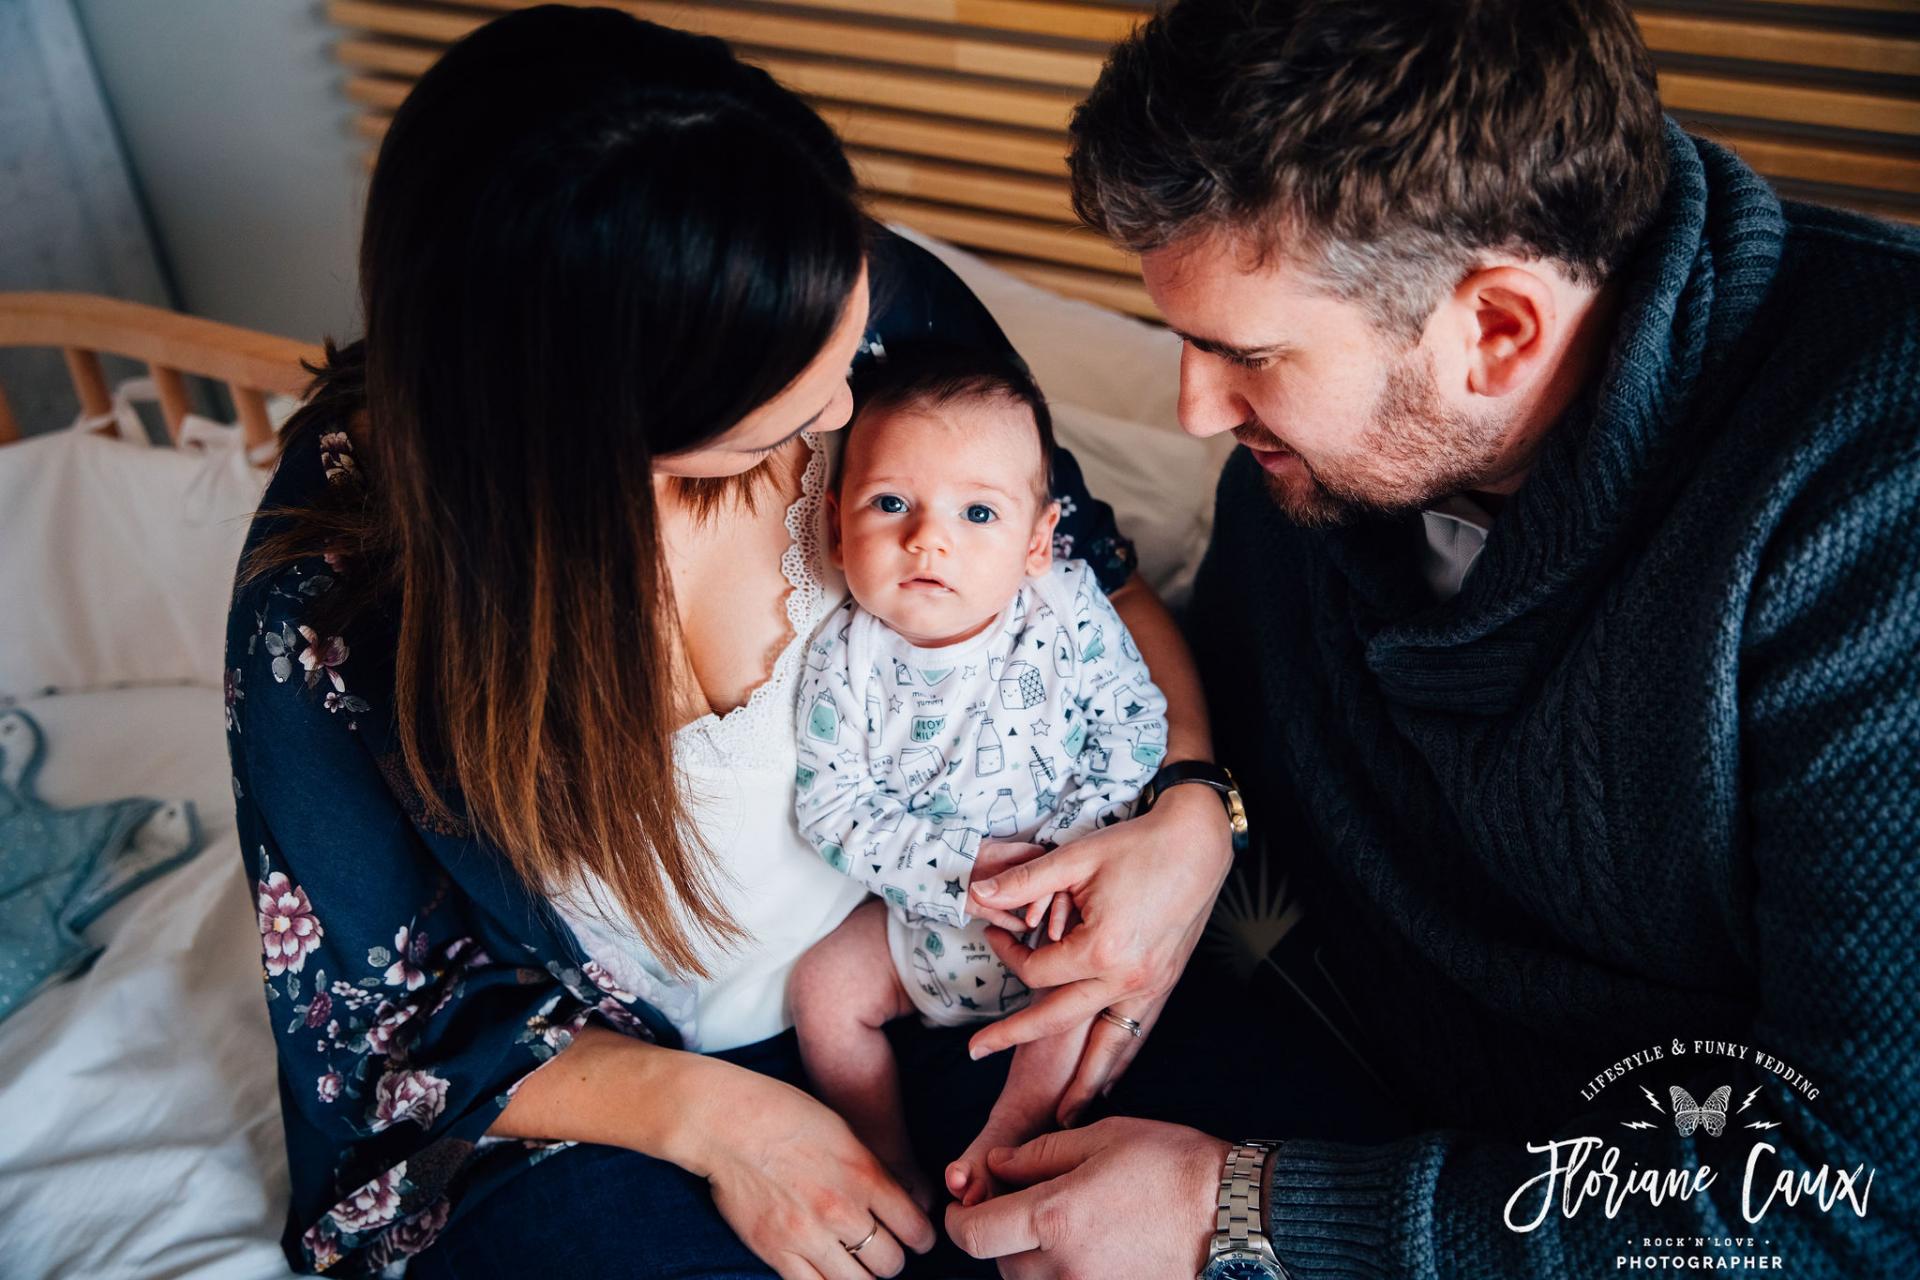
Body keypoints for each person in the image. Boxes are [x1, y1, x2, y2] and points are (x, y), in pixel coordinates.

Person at [226, 8, 1233, 1278]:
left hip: (940, 942)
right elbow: (382, 1031)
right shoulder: (335, 601)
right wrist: (719, 1117)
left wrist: (1194, 809)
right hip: (617, 1077)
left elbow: (1089, 581)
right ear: (589, 449)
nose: (842, 406)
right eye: (774, 431)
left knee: (1251, 1174)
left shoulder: (865, 312)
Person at [944, 0, 1920, 1277]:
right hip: (1304, 1037)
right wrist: (1197, 810)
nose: (1194, 409)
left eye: (1244, 354)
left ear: (1498, 329)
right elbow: (1249, 753)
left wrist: (1242, 1213)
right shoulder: (1311, 466)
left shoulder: (1867, 505)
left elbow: (1858, 1191)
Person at [788, 344, 1170, 1214]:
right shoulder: (843, 658)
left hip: (1060, 903)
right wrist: (961, 868)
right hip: (923, 922)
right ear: (838, 533)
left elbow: (1134, 723)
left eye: (978, 513)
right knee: (822, 991)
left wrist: (1068, 855)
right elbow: (833, 808)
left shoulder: (1066, 609)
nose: (929, 538)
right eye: (890, 504)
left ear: (1038, 544)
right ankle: (884, 1154)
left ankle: (1012, 1127)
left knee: (1082, 987)